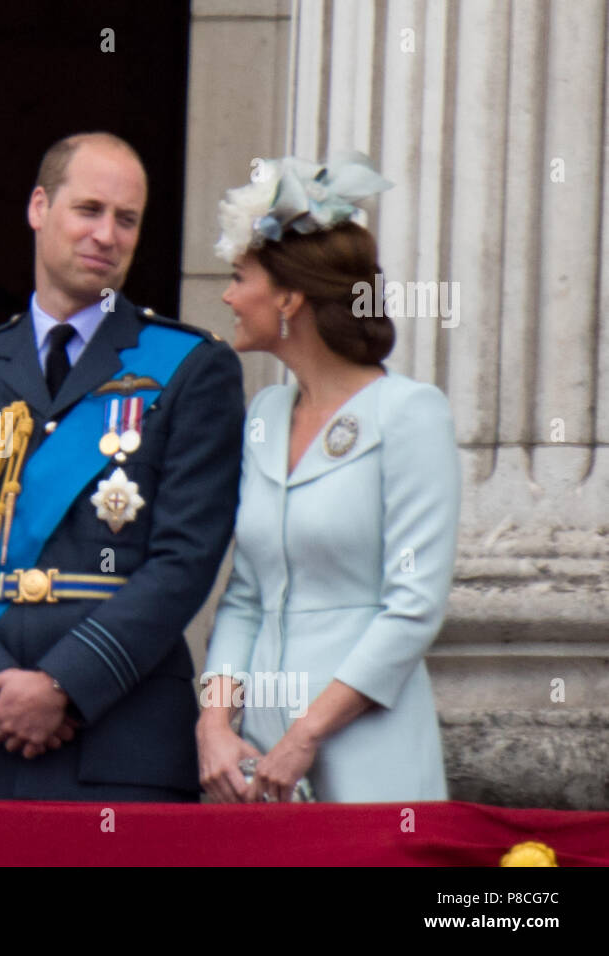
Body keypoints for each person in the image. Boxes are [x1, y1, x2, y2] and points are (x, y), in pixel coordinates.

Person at [0, 132, 244, 801]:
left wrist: (64, 685)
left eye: (127, 219)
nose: (107, 234)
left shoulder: (191, 367)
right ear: (39, 207)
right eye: (89, 210)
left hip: (121, 743)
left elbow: (186, 560)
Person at [196, 154, 461, 803]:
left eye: (239, 278)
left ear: (289, 297)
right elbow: (244, 598)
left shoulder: (409, 413)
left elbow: (413, 608)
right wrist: (214, 722)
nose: (227, 296)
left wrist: (307, 734)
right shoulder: (264, 414)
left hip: (369, 756)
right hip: (258, 766)